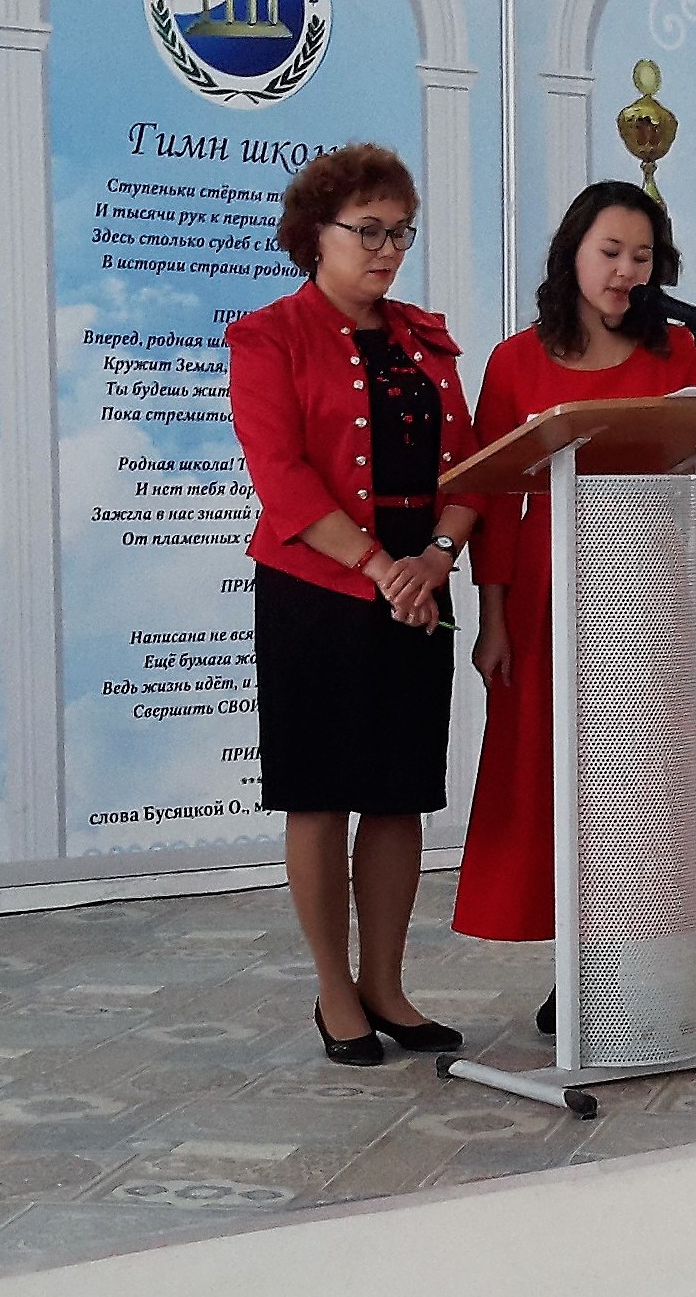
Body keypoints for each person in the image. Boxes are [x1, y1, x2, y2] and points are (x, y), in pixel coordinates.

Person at [456, 181, 696, 1029]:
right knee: (565, 777)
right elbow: (493, 498)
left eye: (642, 256)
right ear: (572, 255)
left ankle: (634, 959)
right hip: (552, 591)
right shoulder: (515, 360)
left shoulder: (678, 352)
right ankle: (579, 964)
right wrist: (494, 618)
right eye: (610, 252)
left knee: (645, 780)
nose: (626, 270)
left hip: (652, 586)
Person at [227, 143, 482, 1067]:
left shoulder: (426, 338)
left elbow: (473, 464)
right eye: (368, 230)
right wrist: (383, 568)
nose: (387, 250)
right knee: (320, 794)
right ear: (315, 233)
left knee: (399, 793)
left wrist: (438, 557)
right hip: (318, 591)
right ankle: (335, 990)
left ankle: (387, 984)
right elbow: (283, 481)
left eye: (401, 232)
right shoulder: (268, 337)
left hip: (421, 584)